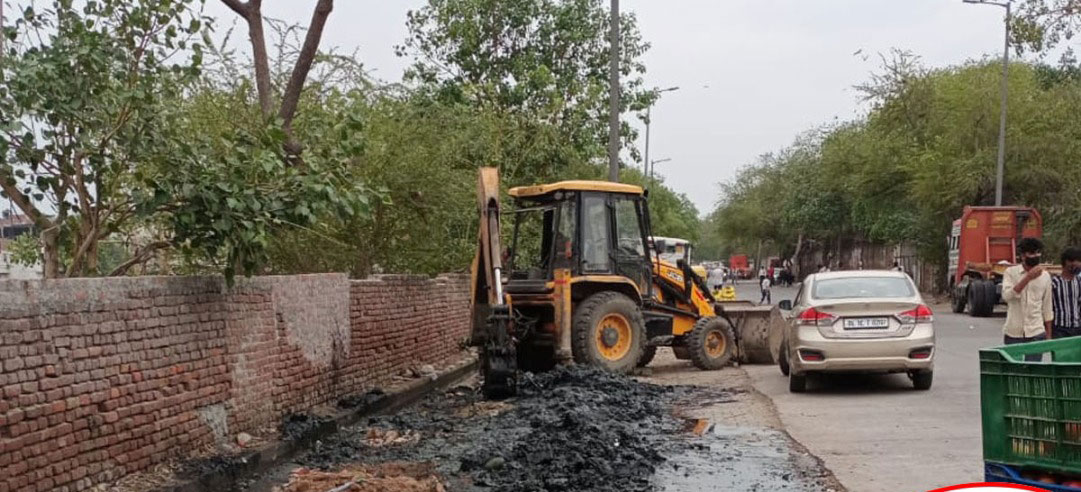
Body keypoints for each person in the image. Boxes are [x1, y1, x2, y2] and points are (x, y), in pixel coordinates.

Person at [1002, 238, 1054, 361]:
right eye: (1031, 253)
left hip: (1036, 332)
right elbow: (1007, 296)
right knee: (1014, 369)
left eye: (1037, 253)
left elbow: (1047, 307)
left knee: (1033, 369)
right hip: (1014, 332)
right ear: (1023, 256)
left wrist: (1049, 335)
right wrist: (1028, 278)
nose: (1035, 256)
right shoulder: (1010, 273)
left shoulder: (1045, 276)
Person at [1051, 247, 1081, 339]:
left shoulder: (1079, 282)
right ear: (1065, 262)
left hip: (1077, 327)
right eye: (1072, 261)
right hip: (1059, 328)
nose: (1076, 264)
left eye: (1078, 261)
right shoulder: (1054, 283)